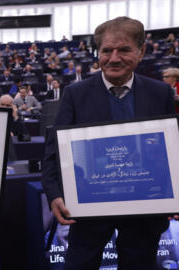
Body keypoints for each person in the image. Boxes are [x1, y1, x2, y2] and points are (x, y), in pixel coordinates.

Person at [42, 16, 174, 270]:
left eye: (124, 49)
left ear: (141, 51)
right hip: (89, 209)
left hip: (144, 211)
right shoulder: (75, 94)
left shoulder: (161, 93)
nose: (114, 58)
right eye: (106, 50)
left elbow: (170, 151)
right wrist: (54, 194)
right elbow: (53, 152)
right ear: (98, 53)